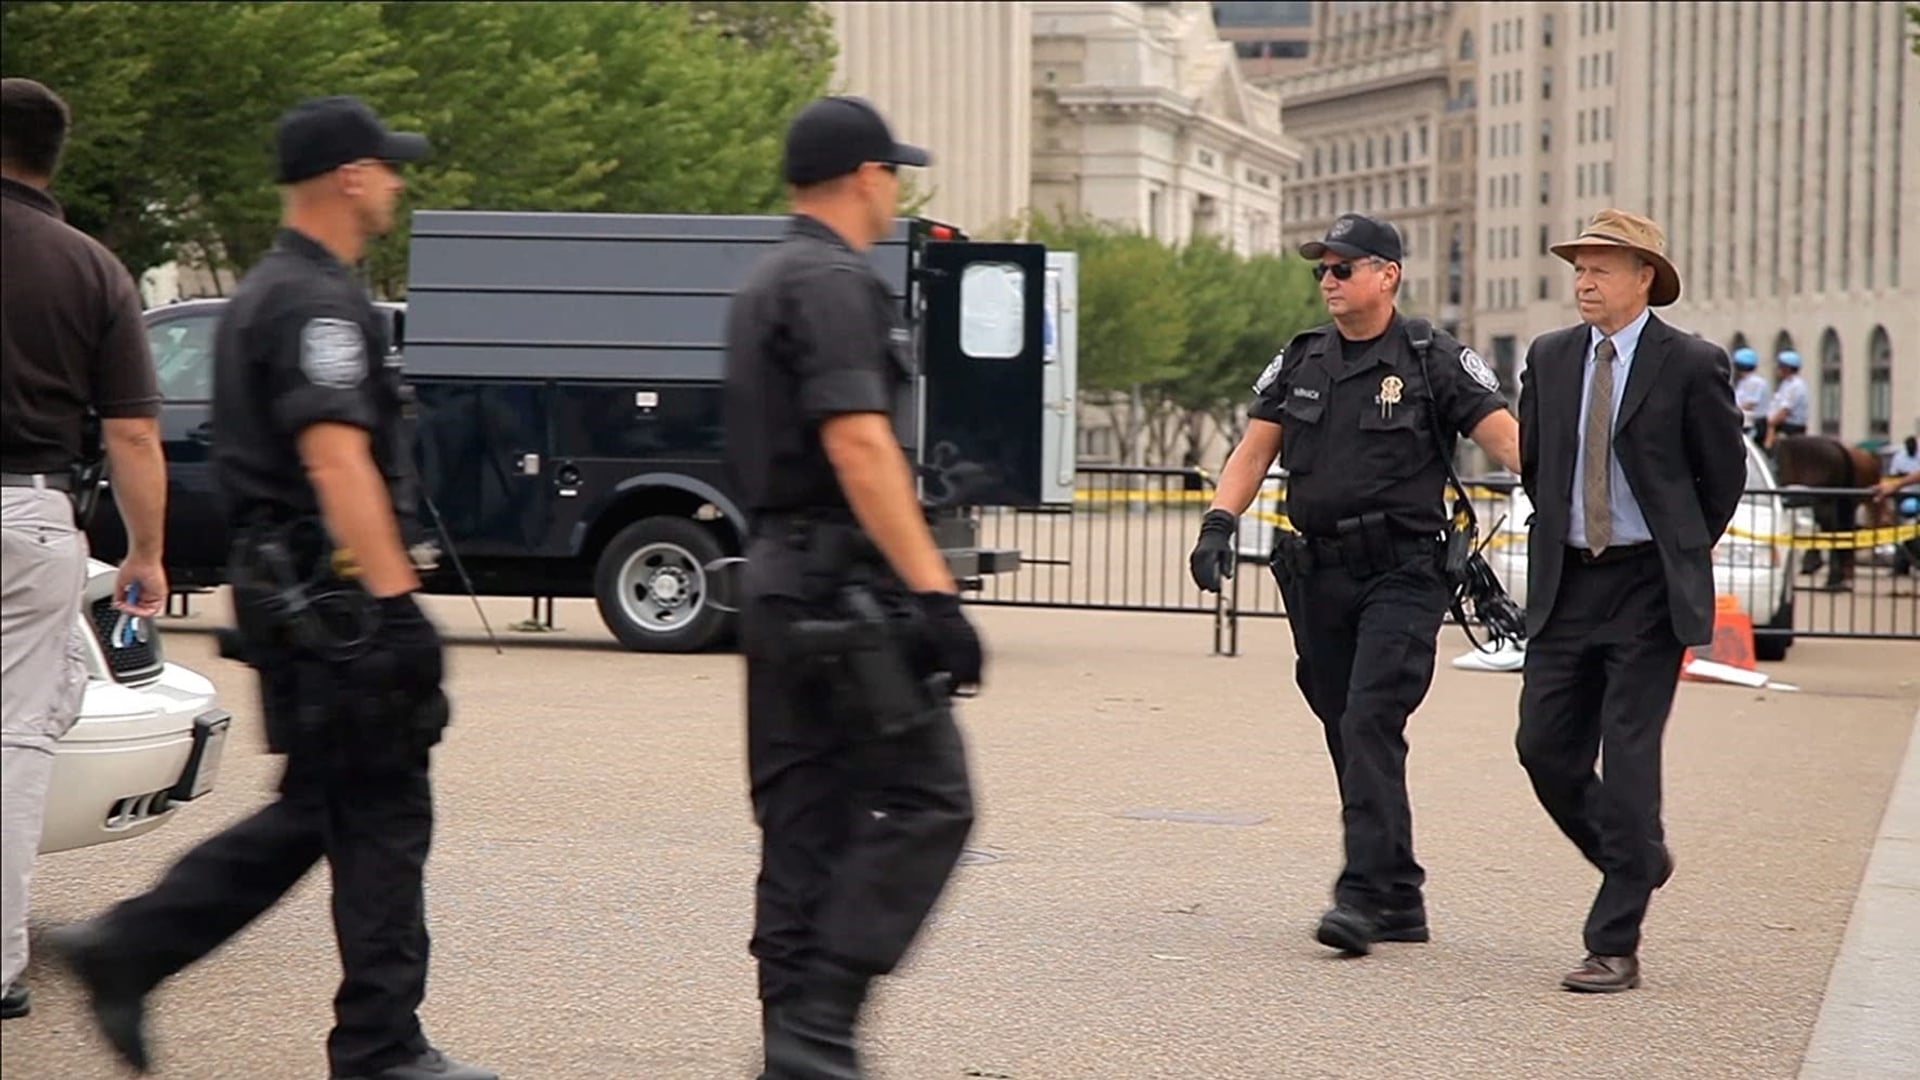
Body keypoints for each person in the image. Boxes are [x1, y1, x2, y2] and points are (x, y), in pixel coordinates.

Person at [46, 96, 495, 1080]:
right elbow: (338, 464)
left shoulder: (267, 293)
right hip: (334, 607)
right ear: (347, 175)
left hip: (297, 603)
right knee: (374, 814)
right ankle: (370, 1041)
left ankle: (147, 952)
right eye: (388, 166)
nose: (396, 181)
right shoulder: (315, 304)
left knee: (334, 809)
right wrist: (390, 612)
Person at [721, 94, 982, 1078]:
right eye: (892, 174)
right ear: (866, 176)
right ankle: (822, 1021)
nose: (895, 190)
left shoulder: (763, 282)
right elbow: (861, 442)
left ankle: (794, 1042)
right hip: (840, 597)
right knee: (933, 799)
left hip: (779, 585)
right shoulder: (834, 281)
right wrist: (938, 597)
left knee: (803, 827)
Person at [1187, 212, 1522, 956]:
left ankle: (1362, 894)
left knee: (1371, 717)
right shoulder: (1304, 359)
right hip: (1319, 572)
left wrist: (1584, 511)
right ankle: (1399, 892)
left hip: (1404, 571)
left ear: (1388, 274)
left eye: (1343, 268)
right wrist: (1217, 523)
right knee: (1346, 724)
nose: (1329, 282)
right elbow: (1253, 450)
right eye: (1322, 271)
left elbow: (1508, 440)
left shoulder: (1432, 357)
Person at [1514, 209, 1747, 993]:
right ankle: (1639, 858)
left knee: (1630, 753)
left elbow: (1722, 477)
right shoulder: (1548, 358)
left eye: (1602, 267)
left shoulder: (1691, 363)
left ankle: (1613, 941)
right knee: (1543, 747)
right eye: (1579, 267)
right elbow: (1538, 467)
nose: (1584, 280)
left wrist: (1677, 548)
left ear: (1644, 277)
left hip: (1649, 587)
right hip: (1567, 581)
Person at [1, 77, 169, 1023]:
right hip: (28, 519)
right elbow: (133, 436)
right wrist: (145, 553)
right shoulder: (92, 269)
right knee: (18, 738)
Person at [1764, 349, 1809, 448]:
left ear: (1787, 368)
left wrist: (1769, 424)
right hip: (1781, 424)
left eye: (1780, 366)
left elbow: (1784, 411)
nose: (1777, 369)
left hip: (1790, 427)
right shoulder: (1786, 384)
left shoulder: (1796, 386)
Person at [1731, 347, 1770, 443]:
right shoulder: (1744, 382)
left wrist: (1732, 409)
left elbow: (1750, 404)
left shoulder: (1754, 382)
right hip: (1747, 421)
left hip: (1754, 423)